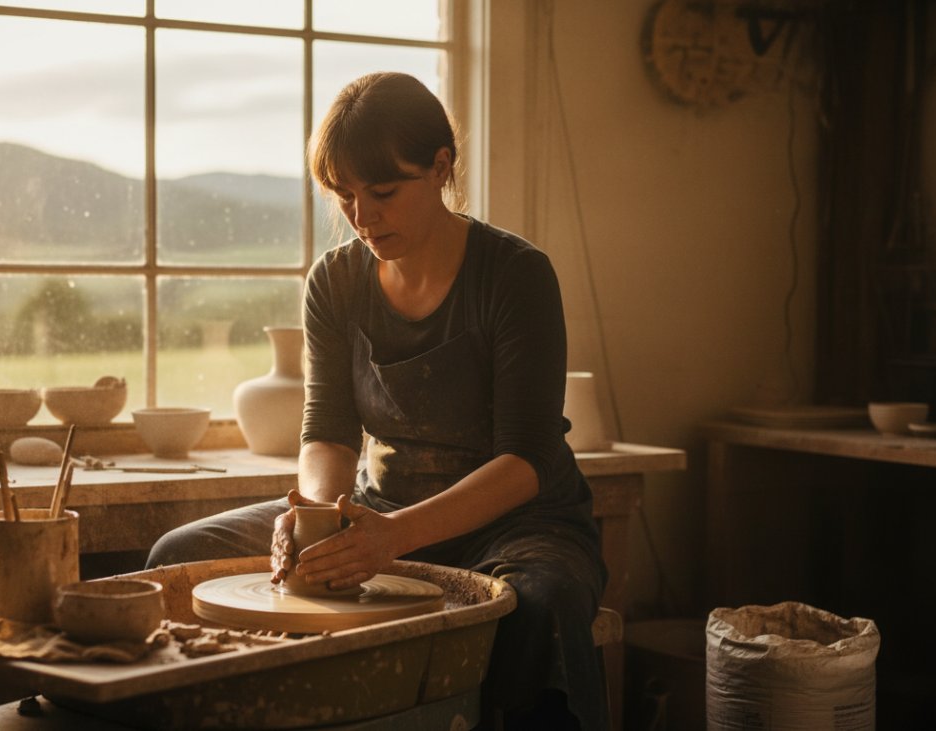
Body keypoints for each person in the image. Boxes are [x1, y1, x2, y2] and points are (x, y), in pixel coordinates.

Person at [147, 71, 608, 730]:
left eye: (384, 192)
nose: (362, 216)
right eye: (344, 196)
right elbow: (327, 431)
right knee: (178, 560)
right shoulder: (335, 282)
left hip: (519, 526)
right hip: (376, 511)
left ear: (442, 167)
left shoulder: (514, 274)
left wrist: (393, 537)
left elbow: (528, 458)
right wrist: (316, 513)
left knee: (539, 603)